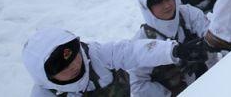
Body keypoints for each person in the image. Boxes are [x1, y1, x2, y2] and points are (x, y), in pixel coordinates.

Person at [22, 27, 206, 96]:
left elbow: (132, 51)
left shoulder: (95, 55)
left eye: (73, 56)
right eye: (62, 67)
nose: (74, 66)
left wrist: (173, 50)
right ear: (45, 78)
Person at [129, 0, 215, 96]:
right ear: (147, 9)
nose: (167, 5)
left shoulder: (189, 14)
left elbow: (214, 38)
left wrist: (214, 72)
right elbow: (137, 85)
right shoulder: (141, 43)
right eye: (159, 3)